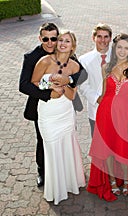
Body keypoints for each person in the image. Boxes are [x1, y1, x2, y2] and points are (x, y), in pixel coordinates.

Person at [19, 22, 87, 187]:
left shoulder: (67, 54)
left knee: (66, 139)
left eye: (54, 38)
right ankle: (42, 172)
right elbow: (24, 85)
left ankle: (67, 171)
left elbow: (82, 74)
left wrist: (68, 80)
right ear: (40, 38)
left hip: (65, 106)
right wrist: (48, 94)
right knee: (42, 140)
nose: (50, 42)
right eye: (46, 39)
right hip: (42, 105)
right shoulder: (32, 57)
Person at [87, 33, 128, 203]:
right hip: (105, 114)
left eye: (126, 48)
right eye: (119, 47)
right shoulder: (106, 67)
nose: (122, 51)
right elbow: (103, 93)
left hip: (124, 116)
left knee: (124, 150)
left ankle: (127, 180)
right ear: (114, 48)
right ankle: (113, 181)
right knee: (107, 149)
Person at [79, 23, 112, 137]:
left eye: (106, 36)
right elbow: (83, 86)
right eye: (99, 36)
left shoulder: (117, 56)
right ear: (93, 38)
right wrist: (97, 99)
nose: (103, 40)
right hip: (96, 109)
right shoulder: (84, 60)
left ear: (110, 38)